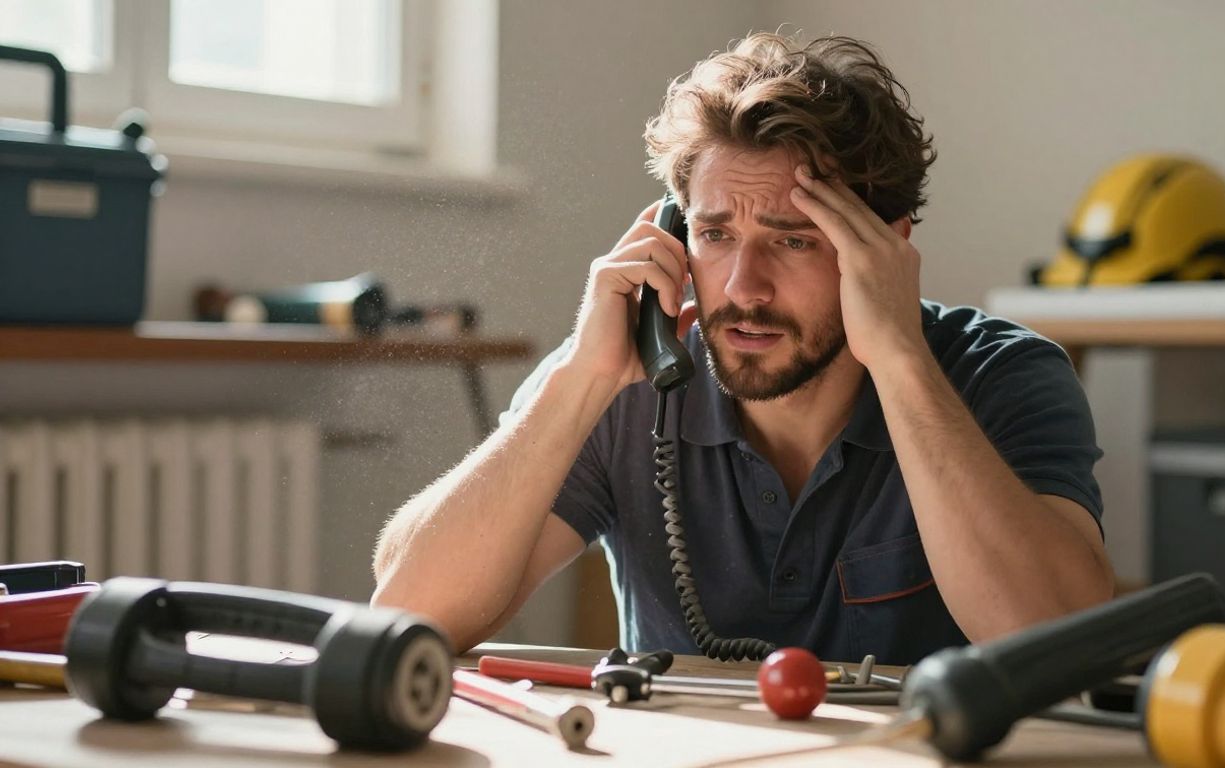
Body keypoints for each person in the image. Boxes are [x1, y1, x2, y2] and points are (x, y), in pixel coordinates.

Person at [371, 32, 1114, 665]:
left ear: (886, 250)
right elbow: (406, 613)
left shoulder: (1003, 375)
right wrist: (576, 383)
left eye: (793, 240)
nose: (744, 287)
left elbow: (1061, 643)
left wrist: (903, 366)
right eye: (715, 235)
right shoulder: (620, 380)